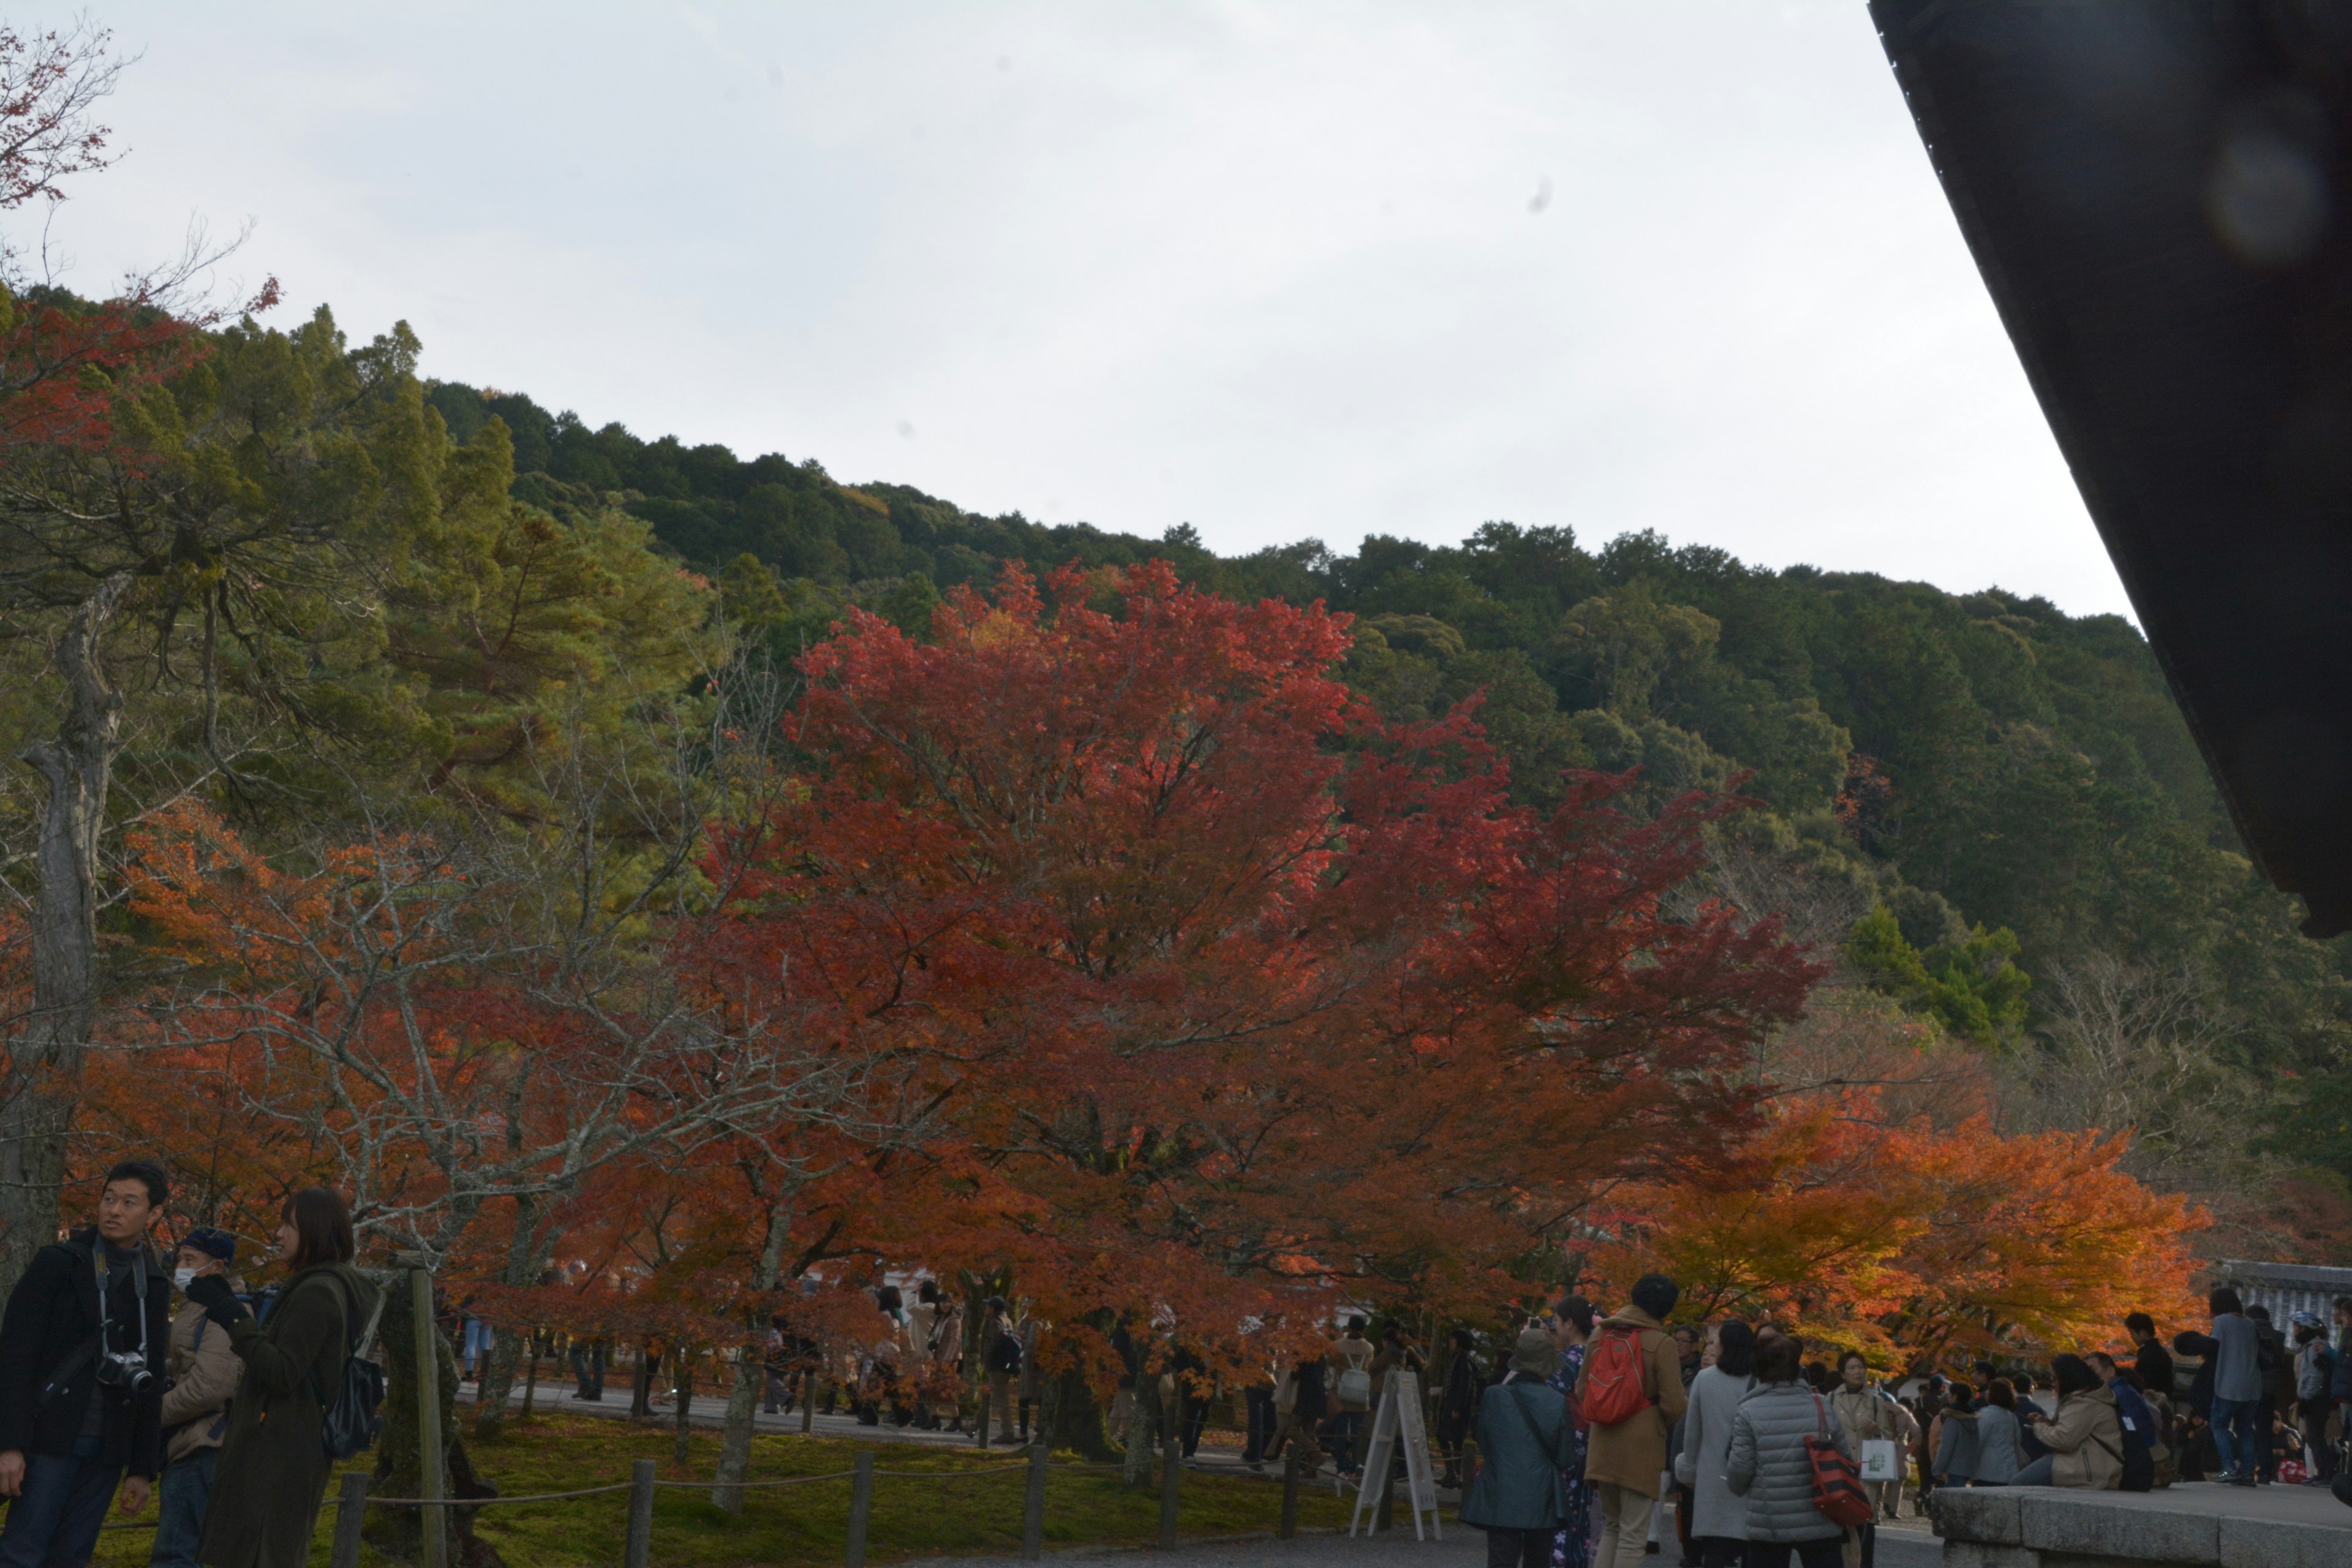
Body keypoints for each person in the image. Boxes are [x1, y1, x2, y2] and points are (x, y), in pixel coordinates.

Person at [181, 1186, 380, 1568]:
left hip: (277, 1454)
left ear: (315, 1230)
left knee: (257, 1553)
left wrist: (233, 1317)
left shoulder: (318, 1292)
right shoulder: (327, 1286)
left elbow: (282, 1372)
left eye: (288, 1225)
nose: (278, 1234)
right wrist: (230, 1303)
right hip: (289, 1447)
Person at [0, 1159, 174, 1568]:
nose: (114, 1210)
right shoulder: (60, 1263)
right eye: (109, 1199)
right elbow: (15, 1356)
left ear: (154, 1214)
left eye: (130, 1203)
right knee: (22, 1552)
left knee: (72, 1556)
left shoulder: (152, 1281)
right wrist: (9, 1443)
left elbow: (153, 1376)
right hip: (49, 1436)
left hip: (108, 1446)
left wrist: (143, 1468)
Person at [1578, 1273, 1688, 1568]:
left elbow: (1581, 1390)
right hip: (1640, 1447)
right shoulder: (1661, 1343)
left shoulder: (1600, 1334)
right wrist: (1656, 1420)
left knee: (1612, 1527)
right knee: (1633, 1533)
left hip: (1602, 1441)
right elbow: (1675, 1403)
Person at [151, 1228, 244, 1568]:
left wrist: (151, 1413)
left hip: (204, 1443)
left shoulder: (222, 1311)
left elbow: (210, 1386)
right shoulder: (198, 1307)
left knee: (176, 1554)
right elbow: (188, 1365)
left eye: (191, 1260)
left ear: (218, 1267)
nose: (180, 1267)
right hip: (196, 1438)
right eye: (180, 1259)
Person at [1725, 1332, 1849, 1568]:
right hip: (1822, 1513)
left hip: (1769, 1519)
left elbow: (1739, 1474)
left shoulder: (1749, 1411)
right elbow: (1845, 1456)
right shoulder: (1820, 1404)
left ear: (1757, 1368)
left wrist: (1736, 1485)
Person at [1461, 1327, 1581, 1568]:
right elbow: (1566, 1456)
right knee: (1538, 1561)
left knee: (1500, 1560)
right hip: (1542, 1498)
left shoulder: (1493, 1396)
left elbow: (1485, 1442)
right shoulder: (1557, 1403)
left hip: (1501, 1490)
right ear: (1548, 1364)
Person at [1673, 1320, 1754, 1568]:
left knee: (1715, 1551)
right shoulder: (1759, 1381)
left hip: (1712, 1476)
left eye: (1718, 1338)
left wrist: (1688, 1466)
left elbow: (1693, 1431)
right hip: (1750, 1478)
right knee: (1752, 1548)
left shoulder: (1704, 1379)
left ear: (1726, 1345)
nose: (1714, 1343)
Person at [1825, 1351, 1914, 1556]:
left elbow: (1887, 1438)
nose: (1858, 1372)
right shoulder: (1830, 1399)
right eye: (1852, 1368)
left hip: (1868, 1470)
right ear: (1843, 1373)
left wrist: (1876, 1430)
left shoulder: (1876, 1402)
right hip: (1839, 1469)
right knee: (1839, 1525)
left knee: (1866, 1523)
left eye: (1861, 1367)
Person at [2174, 1287, 2261, 1485]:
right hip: (2252, 1385)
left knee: (2219, 1425)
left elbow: (2212, 1347)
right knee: (2245, 1430)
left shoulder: (2222, 1321)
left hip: (2228, 1383)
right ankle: (2247, 1473)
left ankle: (2229, 1468)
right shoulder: (2250, 1324)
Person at [2008, 1354, 2122, 1490]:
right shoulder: (2089, 1399)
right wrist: (2048, 1423)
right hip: (2092, 1464)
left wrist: (2039, 1427)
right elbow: (2073, 1432)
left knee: (2017, 1484)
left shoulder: (2084, 1404)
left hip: (2087, 1468)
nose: (2053, 1384)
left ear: (2067, 1378)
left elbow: (2063, 1440)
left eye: (2055, 1379)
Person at [1547, 1296, 1600, 1568]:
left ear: (1570, 1323)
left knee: (1561, 1509)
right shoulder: (1598, 1355)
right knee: (1581, 1510)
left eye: (1556, 1321)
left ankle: (1561, 1561)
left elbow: (1548, 1398)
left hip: (1570, 1439)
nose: (1554, 1326)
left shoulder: (1568, 1359)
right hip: (1594, 1439)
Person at [1328, 1314, 1376, 1477]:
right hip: (1361, 1396)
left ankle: (1341, 1466)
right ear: (1364, 1329)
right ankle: (1357, 1465)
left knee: (1340, 1432)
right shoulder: (1369, 1349)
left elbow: (1330, 1365)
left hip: (1342, 1393)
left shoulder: (1338, 1346)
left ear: (1349, 1327)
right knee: (1358, 1433)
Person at [1436, 1327, 1482, 1490]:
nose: (1450, 1342)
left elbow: (1463, 1385)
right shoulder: (1460, 1358)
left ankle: (1453, 1474)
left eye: (1452, 1339)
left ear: (1458, 1341)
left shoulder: (1461, 1360)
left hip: (1456, 1407)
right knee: (1455, 1440)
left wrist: (1456, 1407)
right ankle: (1454, 1474)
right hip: (1456, 1405)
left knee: (1445, 1437)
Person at [981, 1297, 1020, 1444]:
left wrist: (987, 1360)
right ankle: (974, 1427)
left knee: (1001, 1399)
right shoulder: (1008, 1320)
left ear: (993, 1309)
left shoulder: (994, 1322)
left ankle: (1008, 1432)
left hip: (997, 1365)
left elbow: (993, 1344)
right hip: (1006, 1365)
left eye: (988, 1307)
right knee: (989, 1395)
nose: (986, 1310)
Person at [1970, 1380, 2023, 1487]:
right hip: (2009, 1470)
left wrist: (1970, 1466)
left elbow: (1978, 1441)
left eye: (1989, 1390)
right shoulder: (2012, 1417)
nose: (1987, 1392)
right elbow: (2017, 1441)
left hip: (1987, 1470)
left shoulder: (1986, 1414)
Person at [2124, 1313, 2173, 1403]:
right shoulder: (2159, 1352)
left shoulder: (2149, 1355)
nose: (2131, 1337)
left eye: (2132, 1333)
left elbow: (2145, 1385)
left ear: (2142, 1333)